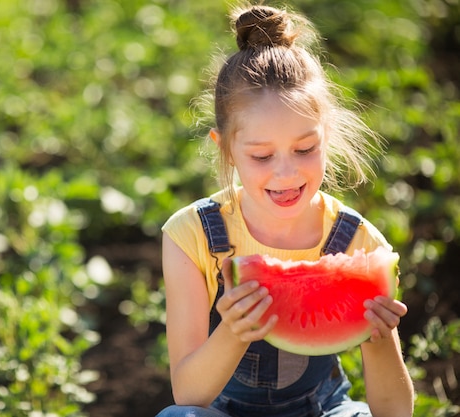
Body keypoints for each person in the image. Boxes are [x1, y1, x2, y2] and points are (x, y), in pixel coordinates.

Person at [155, 4, 414, 417]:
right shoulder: (193, 235)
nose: (286, 172)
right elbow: (188, 394)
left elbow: (395, 412)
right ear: (225, 148)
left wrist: (379, 339)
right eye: (261, 156)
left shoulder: (358, 242)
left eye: (305, 149)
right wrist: (234, 333)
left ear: (326, 137)